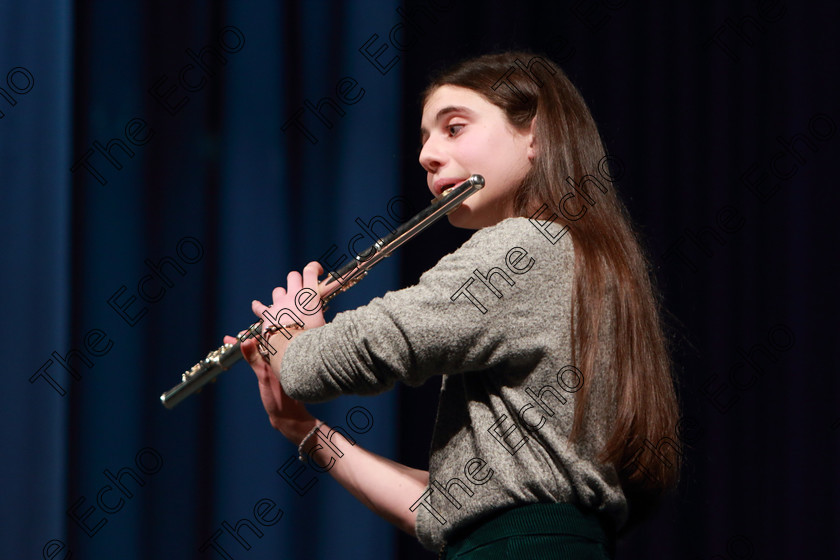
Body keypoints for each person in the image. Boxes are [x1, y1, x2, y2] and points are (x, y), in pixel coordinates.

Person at [224, 51, 681, 558]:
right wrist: (303, 430)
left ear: (537, 134)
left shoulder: (524, 249)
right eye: (424, 138)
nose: (427, 155)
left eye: (454, 128)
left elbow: (322, 366)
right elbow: (445, 510)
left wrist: (297, 338)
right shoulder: (585, 260)